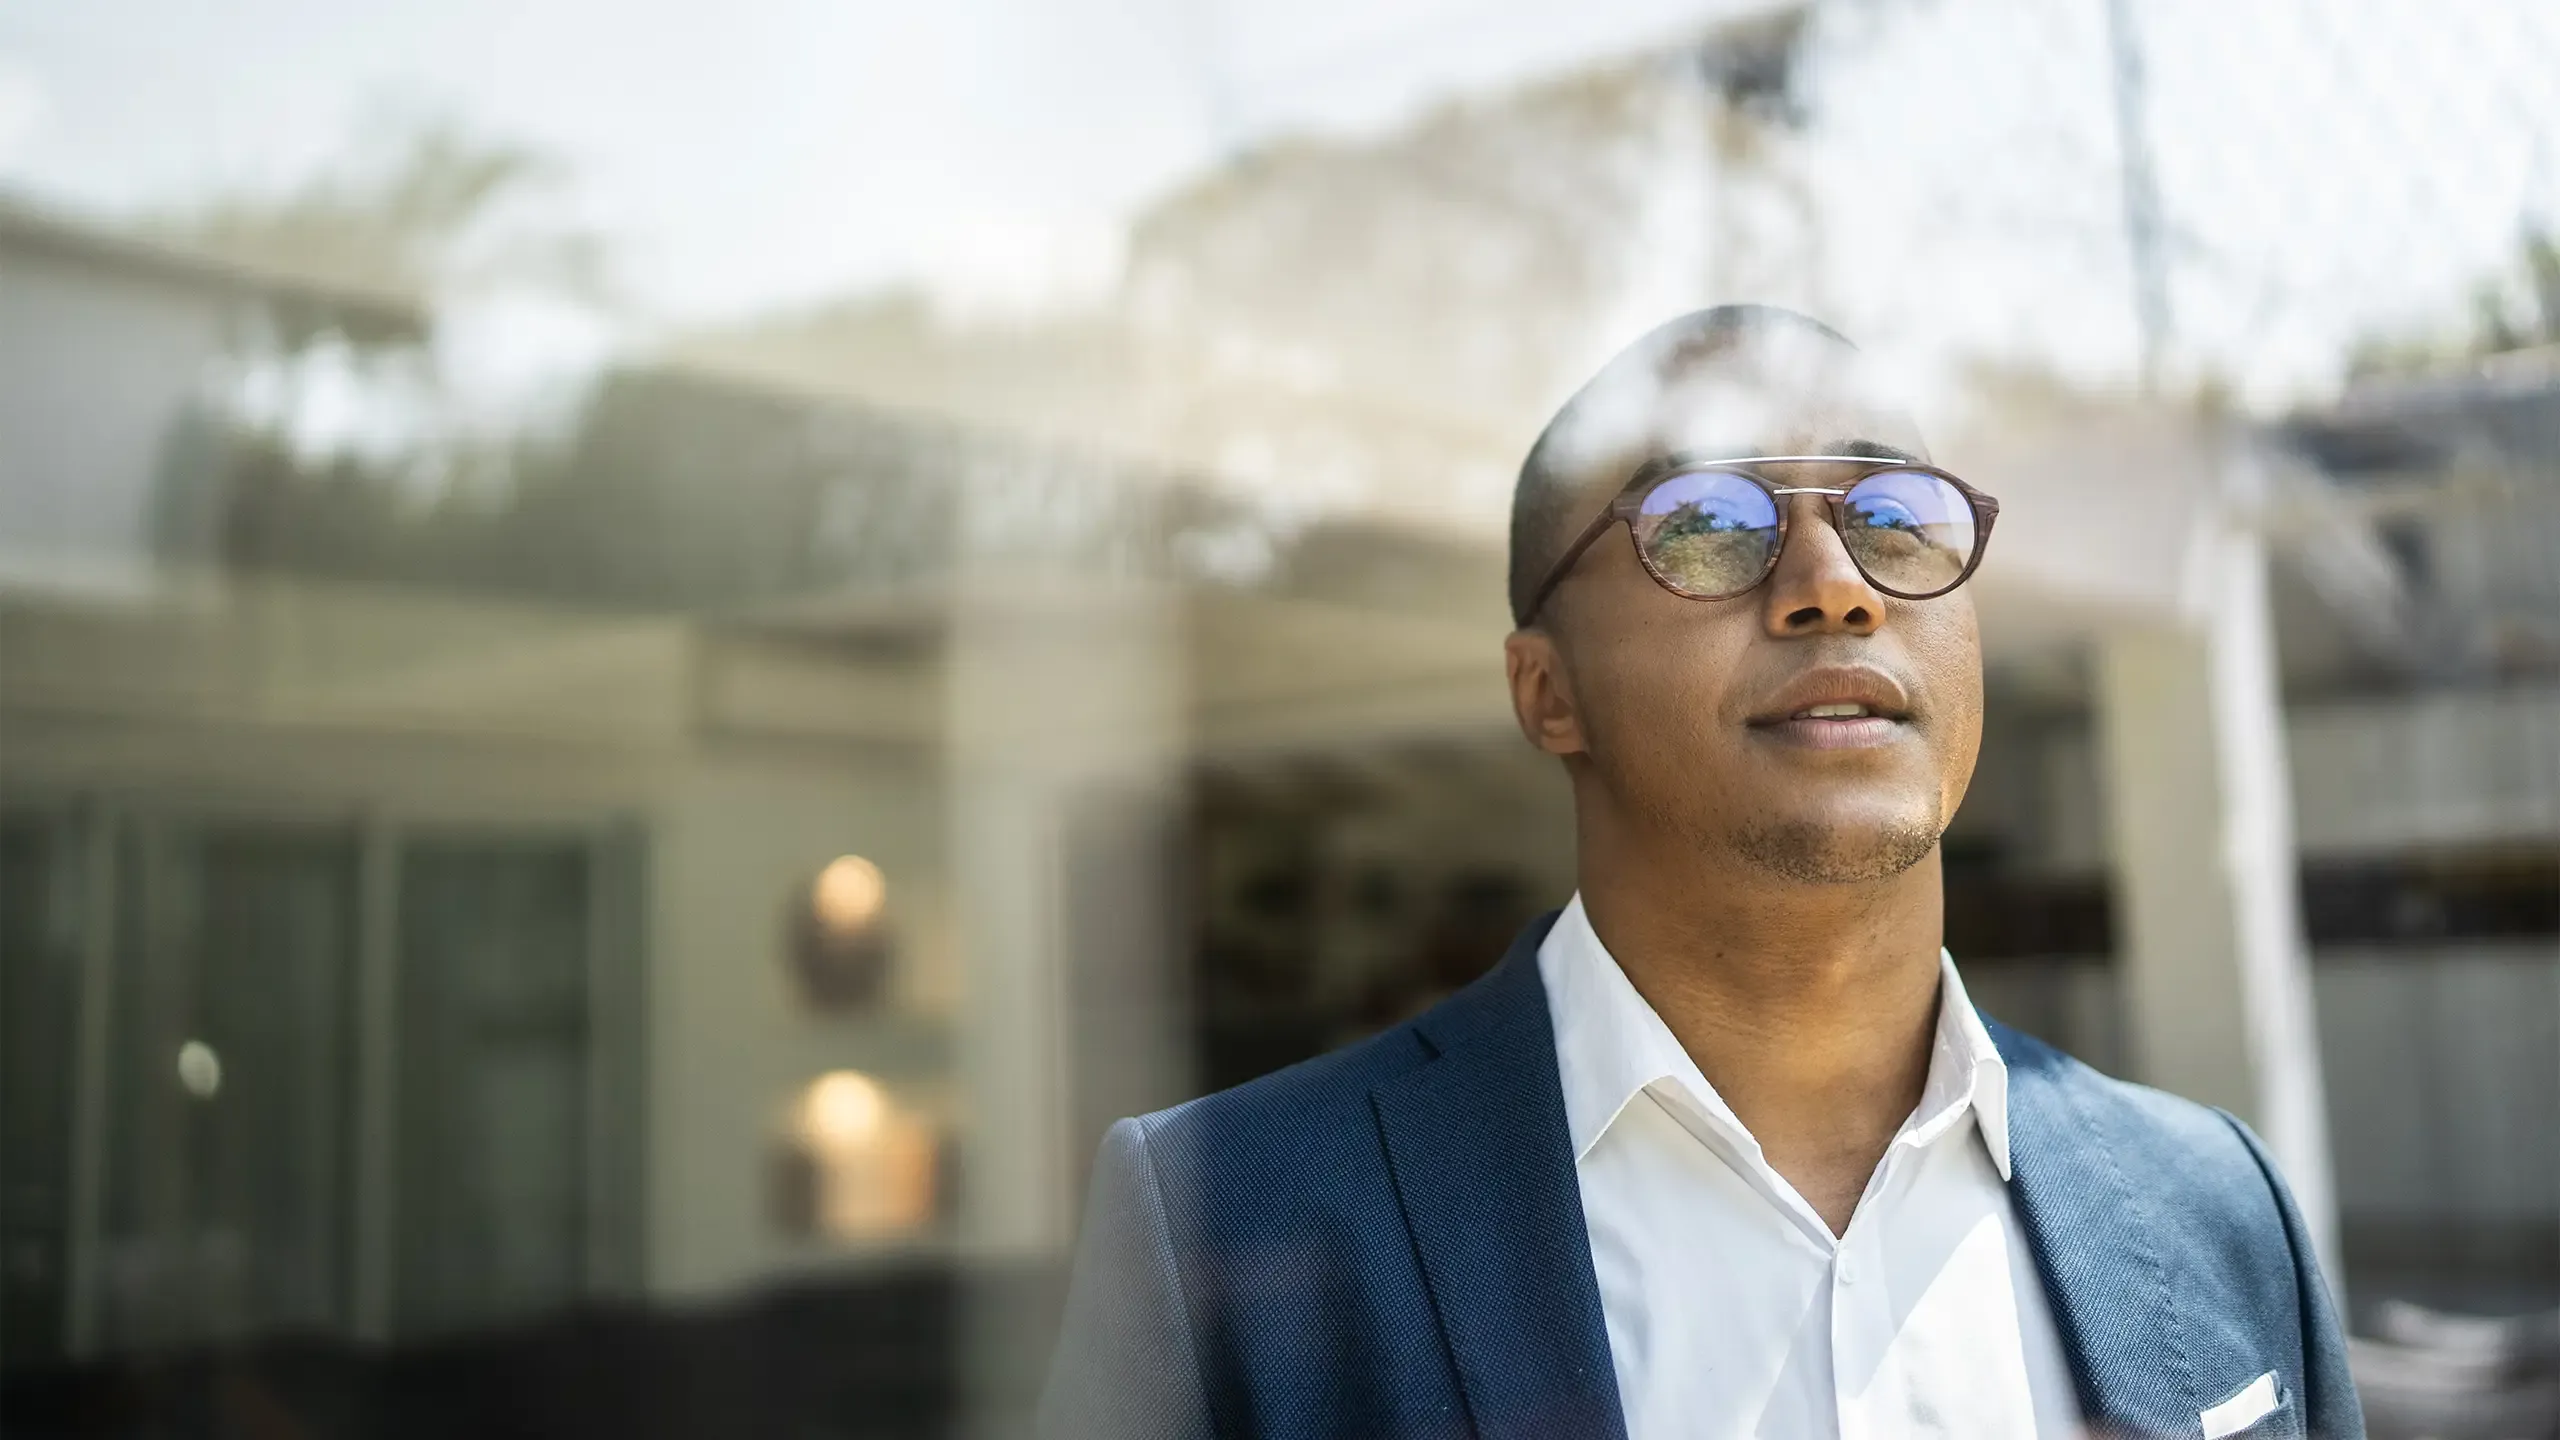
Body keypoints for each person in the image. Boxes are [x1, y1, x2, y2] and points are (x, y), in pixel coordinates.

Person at [1038, 306, 2360, 1440]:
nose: (1833, 585)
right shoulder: (1230, 1227)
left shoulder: (2217, 1203)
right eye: (1710, 524)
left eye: (1894, 516)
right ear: (1548, 693)